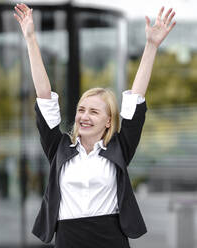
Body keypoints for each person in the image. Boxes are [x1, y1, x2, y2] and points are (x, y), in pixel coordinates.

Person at [13, 3, 176, 248]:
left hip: (110, 239)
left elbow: (136, 97)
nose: (84, 116)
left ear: (109, 120)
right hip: (68, 239)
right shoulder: (58, 148)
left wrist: (151, 46)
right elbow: (44, 95)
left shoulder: (120, 147)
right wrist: (30, 38)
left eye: (94, 111)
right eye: (81, 110)